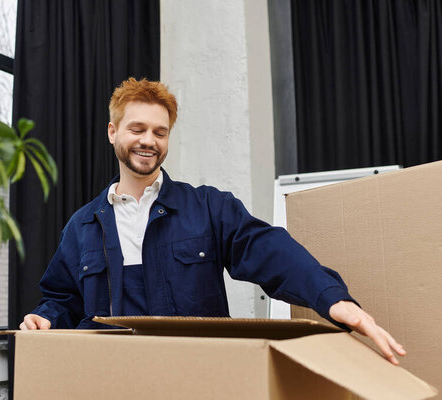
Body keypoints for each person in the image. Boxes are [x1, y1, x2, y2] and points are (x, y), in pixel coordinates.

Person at [20, 78, 405, 365]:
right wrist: (44, 318)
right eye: (137, 129)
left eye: (160, 132)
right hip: (112, 378)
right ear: (113, 132)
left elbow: (269, 250)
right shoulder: (82, 226)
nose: (148, 141)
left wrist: (333, 300)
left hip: (199, 376)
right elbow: (62, 299)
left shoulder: (208, 207)